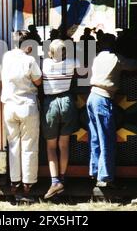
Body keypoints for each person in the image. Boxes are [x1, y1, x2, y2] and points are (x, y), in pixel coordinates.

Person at [87, 33, 137, 188]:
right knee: (107, 139)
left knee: (95, 138)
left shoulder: (97, 58)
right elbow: (134, 65)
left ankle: (94, 171)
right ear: (113, 45)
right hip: (103, 98)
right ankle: (105, 178)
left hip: (92, 97)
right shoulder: (116, 58)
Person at [1, 30, 42, 202]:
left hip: (9, 106)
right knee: (29, 145)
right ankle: (28, 185)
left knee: (13, 145)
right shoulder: (30, 60)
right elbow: (38, 81)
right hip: (27, 105)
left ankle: (14, 182)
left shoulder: (6, 57)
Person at [41, 39, 80, 199]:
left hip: (50, 104)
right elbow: (83, 69)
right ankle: (62, 179)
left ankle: (55, 181)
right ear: (65, 52)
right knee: (64, 145)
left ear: (50, 52)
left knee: (51, 147)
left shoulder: (44, 64)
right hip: (67, 102)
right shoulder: (72, 62)